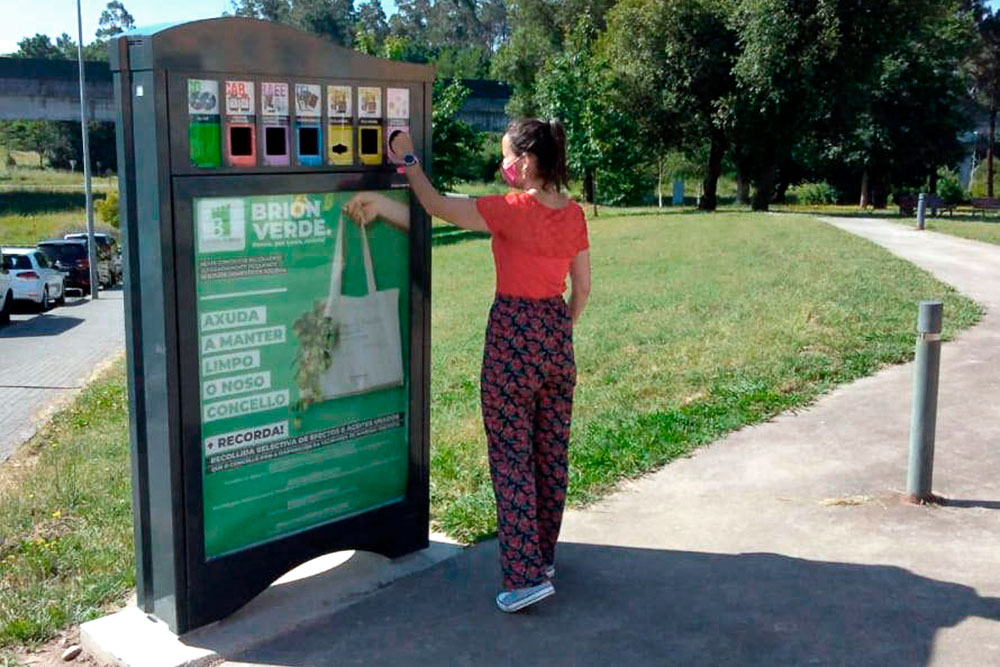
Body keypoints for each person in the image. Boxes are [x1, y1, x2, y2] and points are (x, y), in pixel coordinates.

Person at [344, 118, 591, 613]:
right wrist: (555, 331)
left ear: (523, 162)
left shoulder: (510, 210)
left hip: (511, 338)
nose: (501, 166)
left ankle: (522, 579)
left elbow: (435, 206)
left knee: (511, 458)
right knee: (549, 454)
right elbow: (582, 289)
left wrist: (407, 156)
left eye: (505, 157)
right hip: (556, 337)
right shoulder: (575, 214)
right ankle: (542, 560)